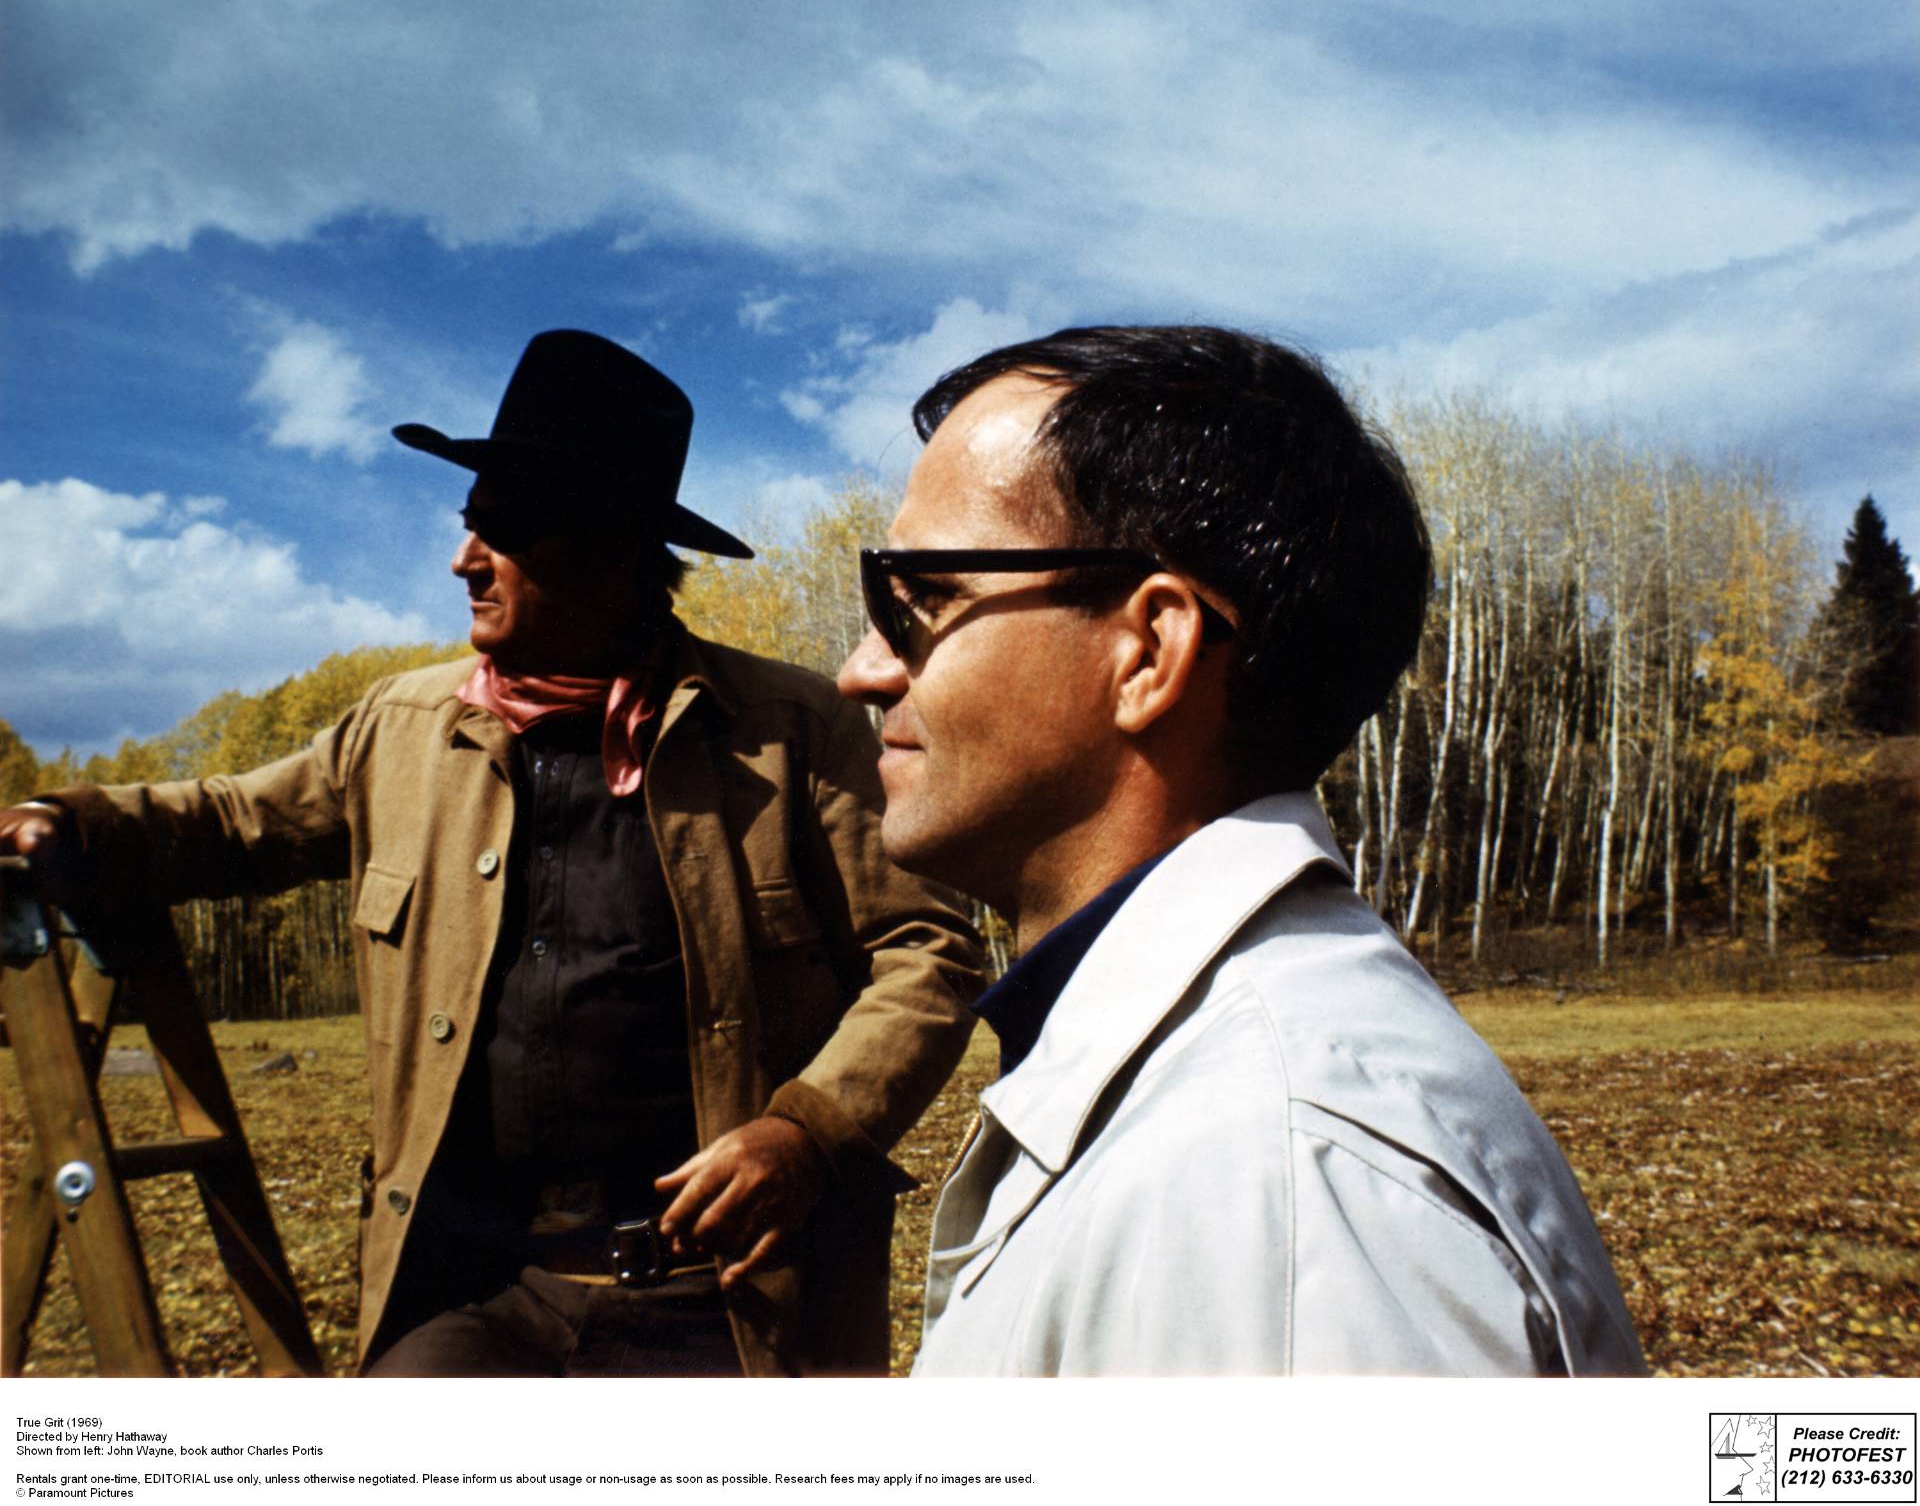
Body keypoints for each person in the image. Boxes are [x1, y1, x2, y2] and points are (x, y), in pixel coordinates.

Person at [3, 328, 984, 1377]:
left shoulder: (791, 732)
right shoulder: (401, 725)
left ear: (610, 548)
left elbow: (928, 950)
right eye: (470, 526)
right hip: (468, 1289)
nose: (464, 558)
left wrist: (806, 1132)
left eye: (504, 530)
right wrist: (71, 820)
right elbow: (231, 821)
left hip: (723, 1300)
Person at [836, 324, 1646, 1376]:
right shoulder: (1231, 1128)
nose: (862, 669)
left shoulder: (1281, 1194)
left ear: (1149, 652)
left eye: (923, 599)